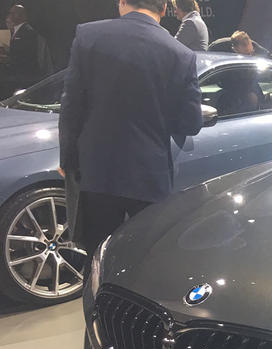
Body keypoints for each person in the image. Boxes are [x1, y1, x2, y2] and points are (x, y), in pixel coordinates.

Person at [58, 0, 202, 260]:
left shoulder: (88, 35)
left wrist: (68, 160)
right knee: (144, 260)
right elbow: (191, 123)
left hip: (97, 172)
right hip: (150, 176)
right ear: (163, 9)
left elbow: (70, 108)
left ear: (122, 2)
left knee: (97, 259)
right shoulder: (181, 54)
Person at [0, 5, 40, 97]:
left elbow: (26, 56)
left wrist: (7, 59)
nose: (9, 16)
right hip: (14, 76)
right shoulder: (15, 31)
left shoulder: (27, 31)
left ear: (21, 15)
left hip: (22, 77)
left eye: (13, 13)